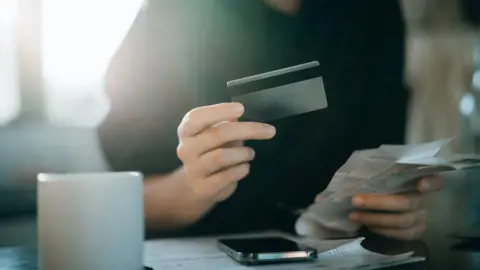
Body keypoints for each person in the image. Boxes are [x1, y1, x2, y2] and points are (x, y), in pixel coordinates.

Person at [98, 0, 443, 240]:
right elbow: (130, 204)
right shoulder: (171, 16)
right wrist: (194, 187)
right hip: (200, 249)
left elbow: (381, 163)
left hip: (341, 253)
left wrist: (397, 212)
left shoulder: (373, 13)